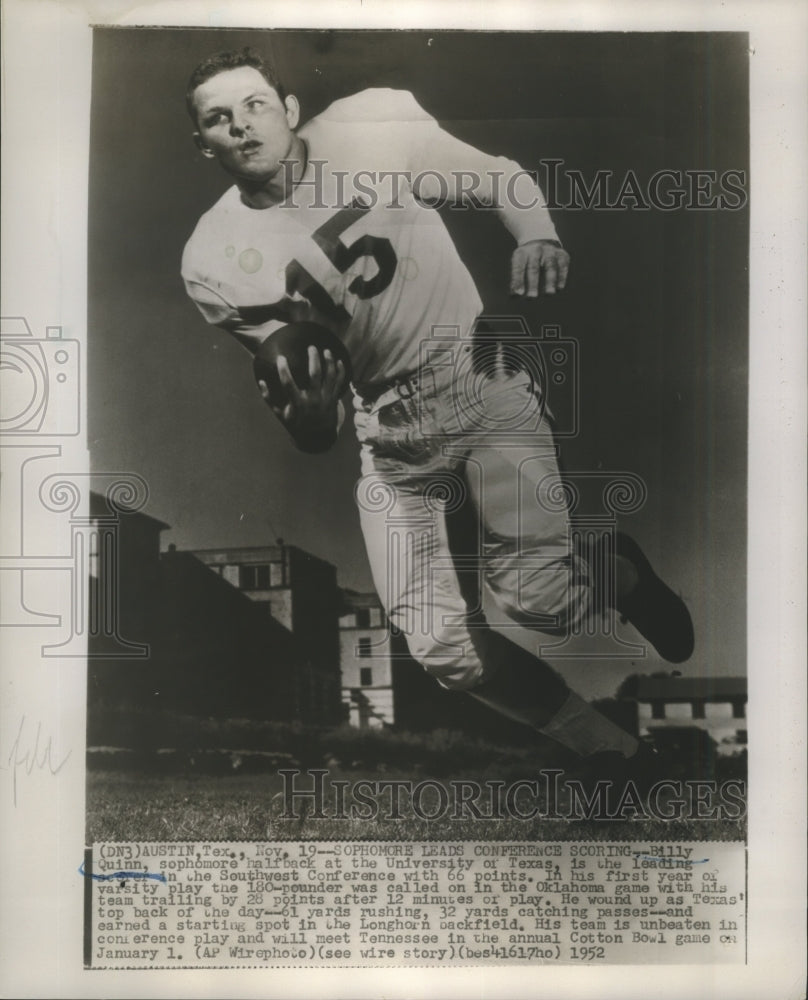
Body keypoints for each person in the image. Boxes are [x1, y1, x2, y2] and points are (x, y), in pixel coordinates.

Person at [181, 48, 694, 777]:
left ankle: (624, 574)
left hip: (480, 384)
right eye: (218, 119)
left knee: (543, 601)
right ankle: (611, 754)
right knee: (438, 646)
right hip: (389, 437)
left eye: (254, 105)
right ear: (203, 143)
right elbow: (303, 395)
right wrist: (308, 419)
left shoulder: (369, 128)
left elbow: (495, 178)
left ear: (289, 110)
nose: (240, 125)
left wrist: (537, 233)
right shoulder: (211, 259)